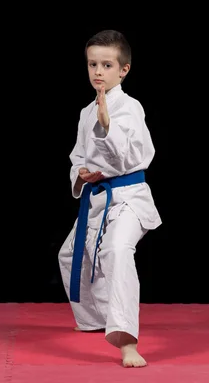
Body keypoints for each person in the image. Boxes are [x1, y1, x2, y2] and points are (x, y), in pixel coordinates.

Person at [57, 29, 162, 368]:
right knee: (71, 254)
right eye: (92, 64)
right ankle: (92, 319)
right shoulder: (87, 111)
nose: (98, 72)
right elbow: (77, 157)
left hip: (128, 197)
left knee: (117, 251)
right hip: (98, 198)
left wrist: (106, 126)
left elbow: (130, 156)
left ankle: (127, 342)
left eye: (106, 64)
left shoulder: (130, 107)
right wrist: (82, 174)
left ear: (124, 70)